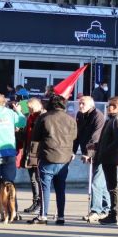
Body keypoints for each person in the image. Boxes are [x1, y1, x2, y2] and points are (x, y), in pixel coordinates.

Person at [30, 94, 78, 225]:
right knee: (60, 188)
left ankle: (43, 216)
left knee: (45, 188)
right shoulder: (71, 119)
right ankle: (61, 216)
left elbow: (35, 137)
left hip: (47, 157)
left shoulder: (44, 118)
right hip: (64, 159)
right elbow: (74, 137)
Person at [95, 96, 118, 225]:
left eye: (108, 105)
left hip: (112, 158)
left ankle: (115, 215)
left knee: (113, 187)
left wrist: (105, 151)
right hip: (108, 157)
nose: (106, 108)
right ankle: (112, 213)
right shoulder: (112, 119)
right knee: (111, 186)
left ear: (115, 107)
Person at [74, 96, 109, 222]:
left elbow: (96, 136)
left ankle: (96, 210)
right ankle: (106, 209)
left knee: (96, 183)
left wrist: (89, 153)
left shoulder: (98, 116)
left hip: (99, 152)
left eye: (83, 104)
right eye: (79, 103)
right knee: (101, 184)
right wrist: (73, 151)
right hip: (89, 151)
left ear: (90, 105)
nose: (80, 106)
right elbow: (77, 135)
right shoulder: (80, 115)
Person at [20, 97, 46, 214]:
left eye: (30, 108)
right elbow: (26, 133)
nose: (29, 110)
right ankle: (36, 201)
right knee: (32, 178)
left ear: (36, 106)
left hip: (38, 151)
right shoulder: (30, 117)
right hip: (30, 150)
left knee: (38, 178)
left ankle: (40, 202)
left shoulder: (43, 116)